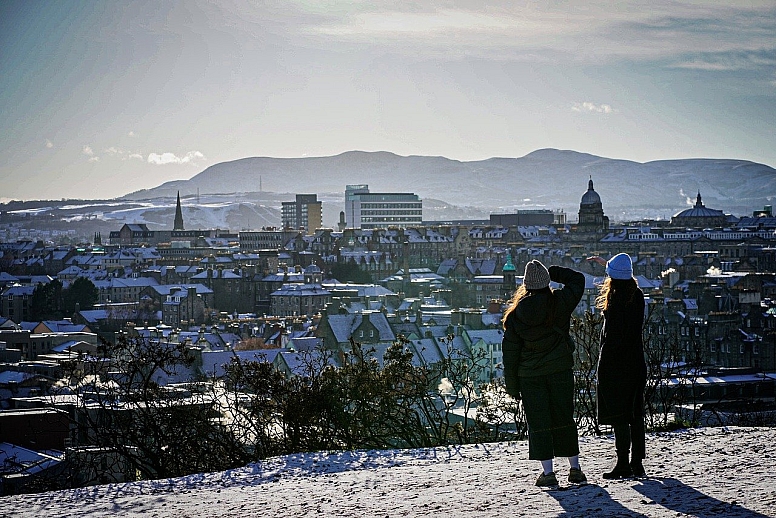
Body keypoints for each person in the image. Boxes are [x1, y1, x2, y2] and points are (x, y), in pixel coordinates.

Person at [502, 260, 587, 487]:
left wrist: (512, 385)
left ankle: (548, 473)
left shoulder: (516, 315)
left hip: (530, 376)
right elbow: (578, 280)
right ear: (546, 283)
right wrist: (554, 271)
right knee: (564, 417)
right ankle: (575, 468)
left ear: (526, 285)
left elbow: (510, 353)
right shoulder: (560, 302)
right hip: (559, 369)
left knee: (539, 422)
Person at [588, 253, 647, 479]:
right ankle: (637, 463)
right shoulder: (637, 295)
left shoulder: (615, 300)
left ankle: (622, 462)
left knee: (620, 415)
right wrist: (608, 265)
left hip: (616, 364)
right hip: (636, 362)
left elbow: (611, 338)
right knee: (635, 413)